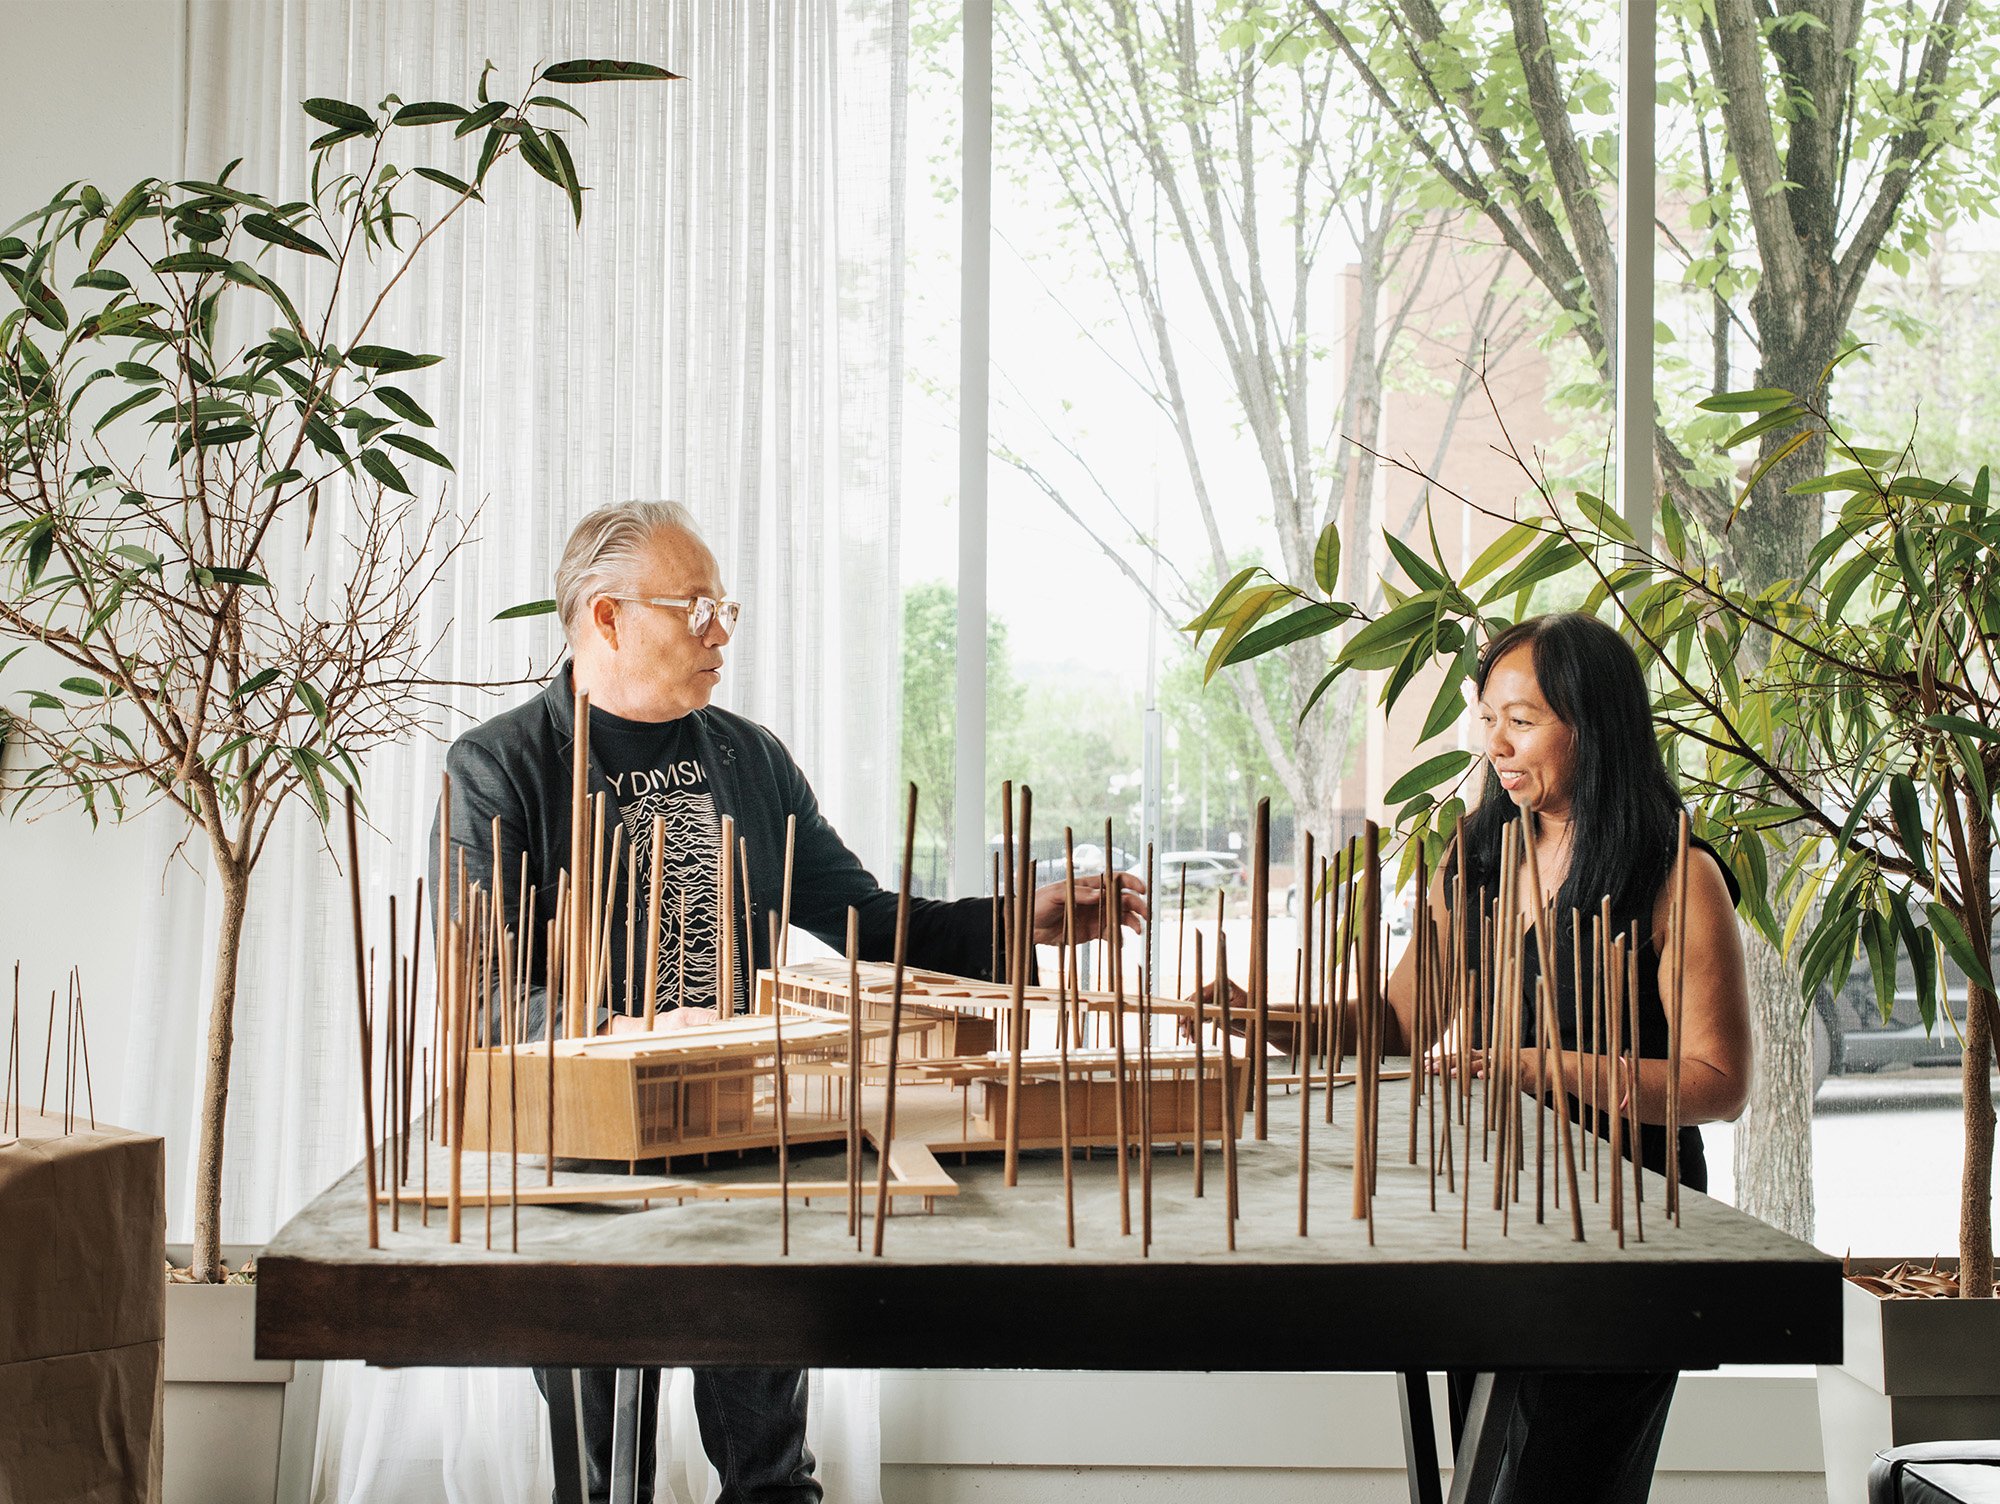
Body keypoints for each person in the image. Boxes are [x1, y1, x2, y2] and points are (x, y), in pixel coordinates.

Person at [431, 500, 1144, 1504]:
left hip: (737, 1151)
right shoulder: (498, 767)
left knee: (772, 1480)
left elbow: (866, 918)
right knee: (599, 1483)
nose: (720, 630)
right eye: (694, 607)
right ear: (603, 617)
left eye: (725, 606)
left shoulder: (747, 758)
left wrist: (1019, 920)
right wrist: (633, 1031)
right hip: (581, 1162)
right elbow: (489, 1003)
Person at [1381, 611, 1752, 1504]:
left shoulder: (1674, 873)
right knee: (1483, 1483)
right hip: (1497, 1226)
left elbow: (1717, 1084)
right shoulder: (1472, 858)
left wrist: (1531, 1065)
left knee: (1562, 1488)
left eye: (1523, 720)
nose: (1495, 743)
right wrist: (1268, 1020)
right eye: (1488, 718)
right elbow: (1394, 1025)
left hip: (1629, 1235)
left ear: (1594, 723)